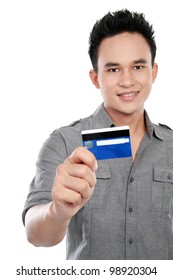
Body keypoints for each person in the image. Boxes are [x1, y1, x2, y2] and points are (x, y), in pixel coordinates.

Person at [22, 9, 173, 260]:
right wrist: (57, 211)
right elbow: (35, 233)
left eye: (137, 66)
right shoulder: (63, 142)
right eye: (113, 70)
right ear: (95, 78)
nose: (127, 81)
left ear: (153, 72)